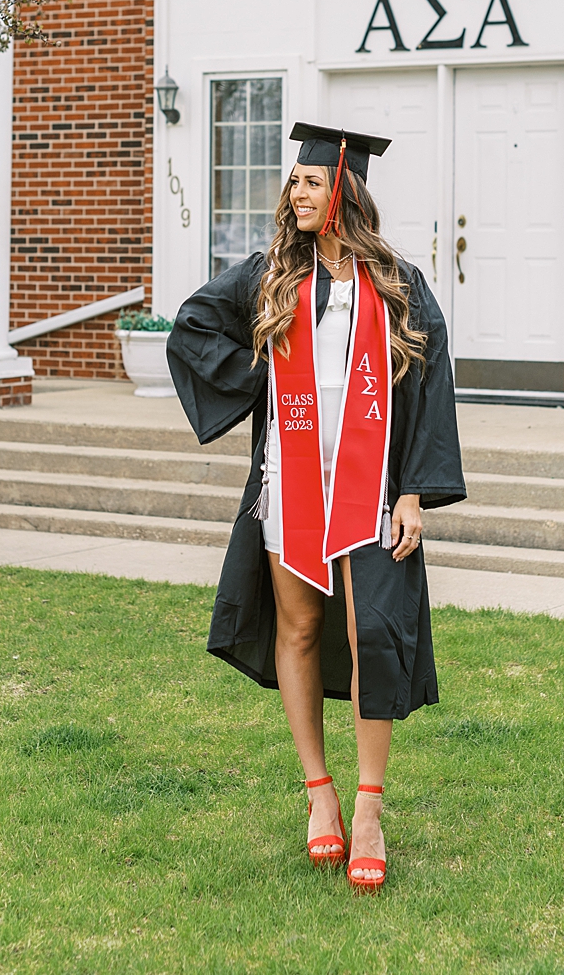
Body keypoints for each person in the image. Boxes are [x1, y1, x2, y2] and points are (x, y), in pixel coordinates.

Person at [170, 123, 466, 895]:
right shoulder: (271, 276)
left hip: (370, 488)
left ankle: (368, 808)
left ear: (345, 189)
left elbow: (431, 381)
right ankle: (320, 797)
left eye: (309, 182)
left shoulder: (396, 280)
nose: (295, 194)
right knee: (298, 627)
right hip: (293, 481)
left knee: (373, 634)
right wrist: (261, 376)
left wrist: (414, 490)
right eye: (291, 184)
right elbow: (193, 327)